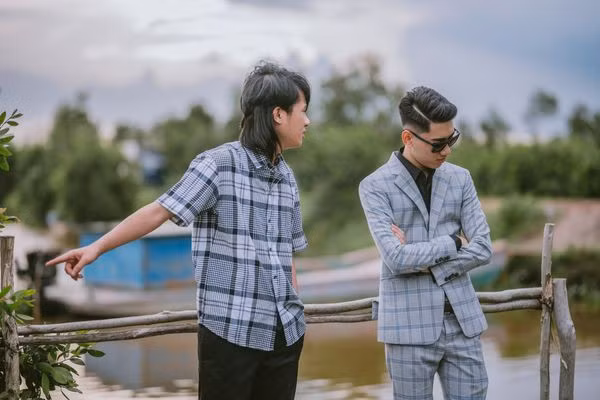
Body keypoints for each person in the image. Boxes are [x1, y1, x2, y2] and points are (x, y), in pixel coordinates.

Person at [46, 61, 311, 400]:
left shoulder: (286, 177)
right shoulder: (218, 165)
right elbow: (158, 211)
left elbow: (286, 254)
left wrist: (294, 307)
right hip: (232, 333)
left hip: (284, 335)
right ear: (278, 115)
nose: (307, 121)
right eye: (303, 110)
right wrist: (95, 248)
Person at [358, 86, 491, 399]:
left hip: (463, 323)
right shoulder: (374, 187)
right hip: (407, 329)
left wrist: (425, 264)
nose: (447, 151)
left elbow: (484, 247)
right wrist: (452, 243)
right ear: (408, 138)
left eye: (452, 139)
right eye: (438, 144)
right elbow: (395, 259)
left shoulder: (461, 179)